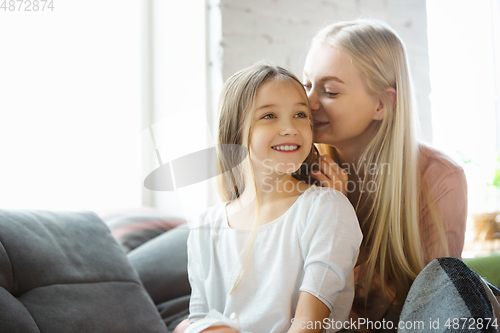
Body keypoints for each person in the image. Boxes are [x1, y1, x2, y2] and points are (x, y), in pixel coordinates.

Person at [302, 19, 467, 332]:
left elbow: (426, 312)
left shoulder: (440, 179)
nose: (309, 103)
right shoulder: (304, 164)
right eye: (307, 84)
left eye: (330, 92)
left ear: (382, 104)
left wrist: (340, 214)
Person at [176, 64, 363, 333]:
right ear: (235, 131)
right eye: (269, 116)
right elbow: (201, 318)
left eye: (300, 114)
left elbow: (308, 326)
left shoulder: (327, 208)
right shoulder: (205, 226)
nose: (290, 128)